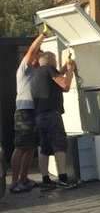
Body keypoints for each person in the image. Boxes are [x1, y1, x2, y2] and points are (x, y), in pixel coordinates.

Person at [31, 51, 76, 189]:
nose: (56, 63)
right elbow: (65, 85)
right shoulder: (49, 69)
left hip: (39, 116)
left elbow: (56, 76)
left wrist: (65, 67)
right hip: (52, 115)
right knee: (59, 144)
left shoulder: (37, 73)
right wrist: (70, 71)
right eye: (55, 60)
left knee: (44, 147)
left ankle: (45, 179)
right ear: (50, 60)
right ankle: (63, 178)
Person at [10, 33, 44, 193]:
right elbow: (32, 49)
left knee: (30, 147)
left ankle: (24, 179)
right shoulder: (24, 68)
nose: (39, 59)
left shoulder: (35, 73)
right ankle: (14, 183)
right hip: (23, 111)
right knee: (21, 147)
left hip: (32, 112)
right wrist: (42, 35)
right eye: (38, 56)